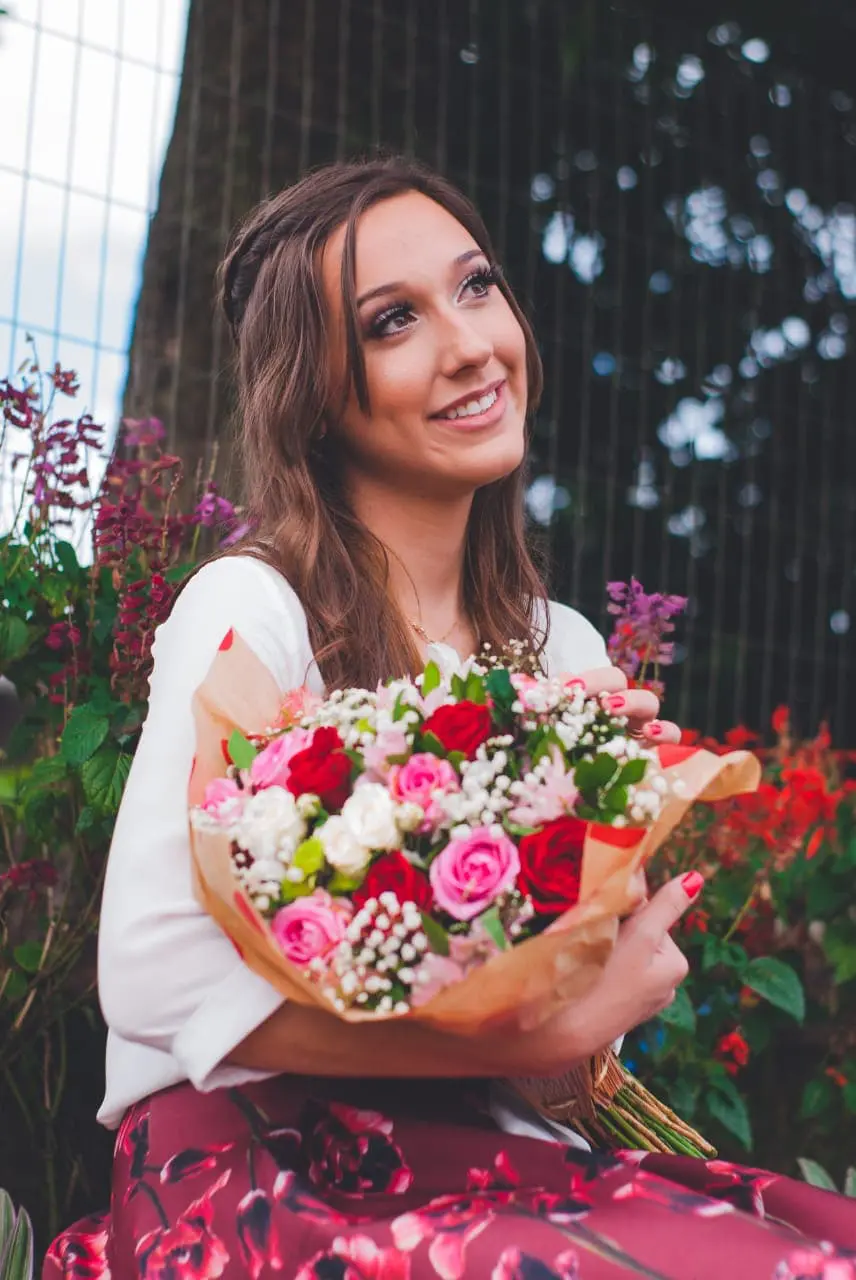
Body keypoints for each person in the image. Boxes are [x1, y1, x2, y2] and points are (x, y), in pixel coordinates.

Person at [45, 159, 856, 1280]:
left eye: (476, 287)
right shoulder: (254, 607)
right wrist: (535, 1032)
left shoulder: (563, 650)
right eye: (393, 322)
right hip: (257, 1168)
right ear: (314, 391)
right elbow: (148, 970)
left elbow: (545, 1046)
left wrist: (600, 994)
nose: (471, 344)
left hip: (495, 1155)